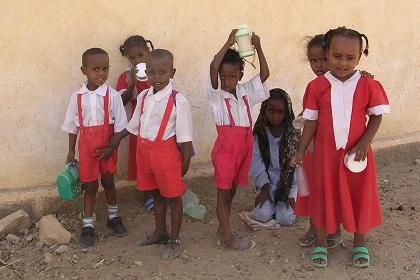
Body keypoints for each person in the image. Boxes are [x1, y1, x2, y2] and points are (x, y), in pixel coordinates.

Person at [291, 27, 390, 268]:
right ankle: (322, 244)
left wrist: (365, 142)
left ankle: (360, 244)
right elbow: (311, 123)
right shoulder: (316, 87)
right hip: (325, 156)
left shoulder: (368, 85)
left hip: (357, 155)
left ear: (359, 56)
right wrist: (301, 150)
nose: (343, 63)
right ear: (327, 53)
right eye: (336, 56)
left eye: (350, 58)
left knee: (359, 197)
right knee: (324, 195)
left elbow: (376, 116)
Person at [103, 49, 193, 259]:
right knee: (156, 194)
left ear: (172, 72)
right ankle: (160, 232)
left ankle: (174, 237)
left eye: (162, 72)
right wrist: (116, 139)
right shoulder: (143, 96)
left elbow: (185, 136)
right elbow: (134, 124)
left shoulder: (178, 101)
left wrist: (185, 162)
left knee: (173, 197)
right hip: (145, 153)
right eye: (152, 72)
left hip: (166, 154)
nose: (157, 77)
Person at [209, 29, 269, 250]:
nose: (227, 81)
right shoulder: (216, 94)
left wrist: (258, 47)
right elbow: (213, 67)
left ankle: (222, 226)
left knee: (232, 188)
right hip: (226, 147)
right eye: (223, 77)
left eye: (232, 76)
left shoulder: (245, 91)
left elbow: (264, 74)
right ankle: (228, 238)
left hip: (244, 145)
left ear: (240, 75)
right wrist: (228, 42)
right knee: (223, 191)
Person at [62, 48, 128, 247]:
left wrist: (111, 147)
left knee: (108, 182)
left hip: (108, 149)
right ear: (84, 70)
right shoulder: (77, 97)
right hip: (87, 149)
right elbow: (72, 127)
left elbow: (123, 128)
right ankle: (88, 224)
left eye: (105, 68)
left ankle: (113, 217)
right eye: (95, 69)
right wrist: (70, 151)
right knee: (89, 186)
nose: (101, 73)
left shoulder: (113, 96)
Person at [116, 35, 155, 214]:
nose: (137, 60)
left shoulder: (157, 71)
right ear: (127, 58)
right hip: (138, 128)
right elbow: (121, 101)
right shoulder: (125, 78)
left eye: (140, 55)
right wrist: (131, 84)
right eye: (132, 57)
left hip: (159, 125)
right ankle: (148, 195)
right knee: (143, 162)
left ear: (148, 52)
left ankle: (162, 192)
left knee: (160, 160)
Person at [250, 89, 300, 226]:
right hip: (268, 183)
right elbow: (256, 161)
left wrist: (290, 193)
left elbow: (298, 167)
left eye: (280, 112)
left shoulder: (293, 134)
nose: (275, 116)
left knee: (285, 219)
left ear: (287, 112)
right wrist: (264, 189)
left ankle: (289, 203)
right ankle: (271, 204)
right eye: (271, 111)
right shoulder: (260, 132)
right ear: (264, 110)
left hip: (290, 184)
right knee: (261, 215)